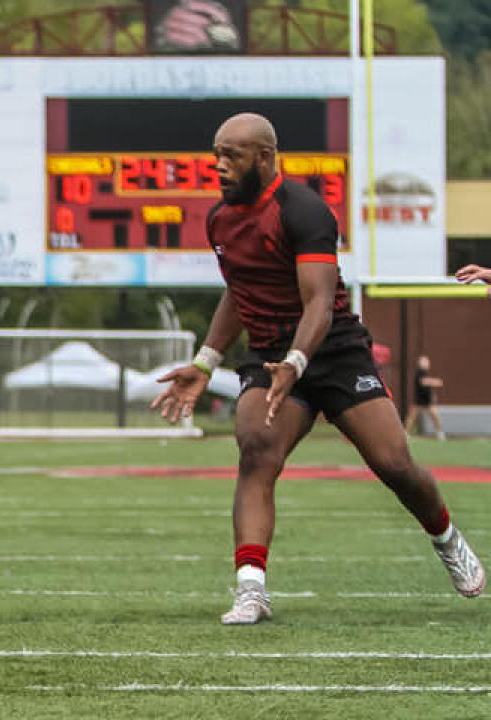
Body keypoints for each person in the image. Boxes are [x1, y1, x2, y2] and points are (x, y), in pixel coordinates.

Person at [151, 112, 483, 625]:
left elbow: (320, 303)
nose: (218, 166)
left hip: (332, 351)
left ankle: (446, 538)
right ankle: (251, 589)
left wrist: (298, 363)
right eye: (215, 154)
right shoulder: (219, 219)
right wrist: (205, 360)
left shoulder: (304, 211)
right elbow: (238, 294)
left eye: (231, 156)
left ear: (264, 156)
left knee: (394, 464)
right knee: (256, 450)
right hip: (268, 354)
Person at [402, 355, 447, 441]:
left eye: (427, 362)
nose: (426, 363)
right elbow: (423, 382)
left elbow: (428, 387)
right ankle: (405, 433)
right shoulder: (419, 372)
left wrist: (433, 396)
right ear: (419, 363)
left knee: (435, 416)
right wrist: (435, 382)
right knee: (411, 417)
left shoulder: (425, 373)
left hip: (428, 400)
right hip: (419, 400)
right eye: (424, 361)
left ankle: (440, 433)